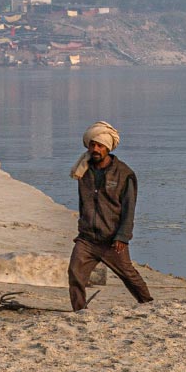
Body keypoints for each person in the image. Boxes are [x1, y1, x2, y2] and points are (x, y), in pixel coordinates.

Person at [68, 121, 155, 311]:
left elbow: (129, 208)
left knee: (129, 275)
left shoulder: (125, 174)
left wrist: (123, 236)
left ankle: (148, 304)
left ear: (108, 147)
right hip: (87, 239)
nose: (95, 149)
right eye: (92, 145)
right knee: (75, 274)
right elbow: (84, 204)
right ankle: (79, 312)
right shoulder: (83, 170)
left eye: (100, 145)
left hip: (112, 240)